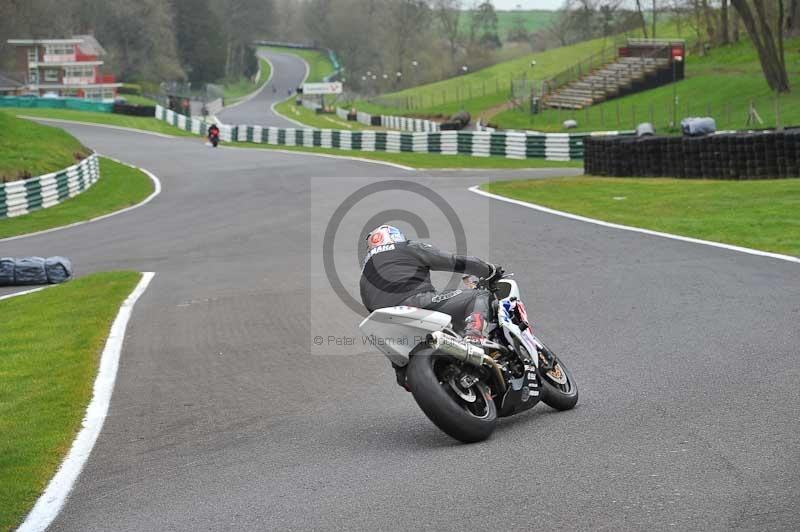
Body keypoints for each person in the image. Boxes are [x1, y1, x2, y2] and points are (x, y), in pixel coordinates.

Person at [359, 224, 503, 344]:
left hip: (385, 323)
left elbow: (369, 305)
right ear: (396, 237)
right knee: (479, 295)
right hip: (415, 303)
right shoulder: (406, 247)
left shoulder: (365, 273)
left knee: (401, 364)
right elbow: (452, 261)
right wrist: (489, 269)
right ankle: (474, 335)